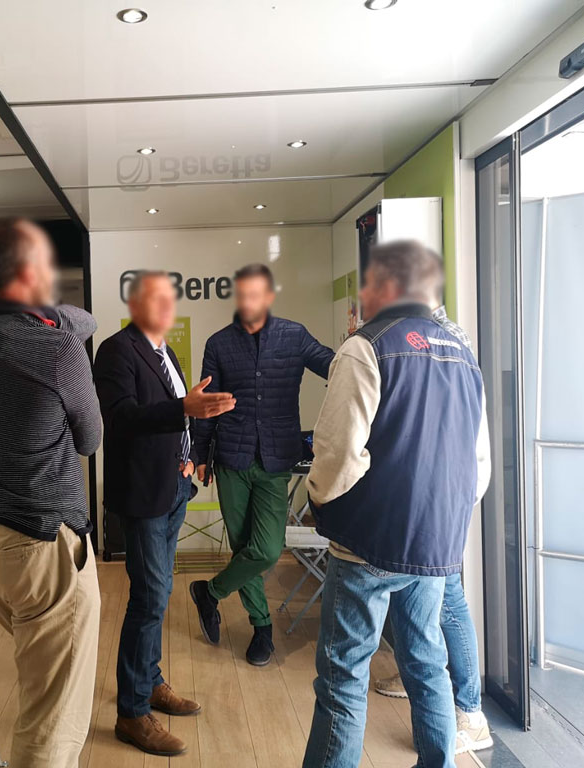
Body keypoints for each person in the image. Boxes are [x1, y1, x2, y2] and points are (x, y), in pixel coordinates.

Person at [301, 240, 491, 768]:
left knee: (343, 676)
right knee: (427, 664)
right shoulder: (462, 353)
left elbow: (339, 455)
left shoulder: (366, 348)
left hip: (369, 541)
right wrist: (443, 518)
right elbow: (478, 463)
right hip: (434, 545)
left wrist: (320, 503)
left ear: (386, 286)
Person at [0, 217, 101, 768]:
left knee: (40, 693)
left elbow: (74, 320)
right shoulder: (58, 349)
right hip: (44, 547)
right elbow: (90, 439)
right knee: (51, 719)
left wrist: (51, 316)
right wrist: (56, 321)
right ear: (31, 273)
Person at [94, 270, 236, 757]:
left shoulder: (165, 352)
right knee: (149, 597)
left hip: (174, 487)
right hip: (143, 494)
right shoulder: (116, 350)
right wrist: (184, 409)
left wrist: (190, 453)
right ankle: (132, 714)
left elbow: (180, 415)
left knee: (159, 592)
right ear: (134, 305)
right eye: (155, 299)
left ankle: (150, 681)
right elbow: (120, 418)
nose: (166, 307)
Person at [188, 263, 334, 665]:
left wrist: (368, 354)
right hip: (230, 459)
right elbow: (207, 406)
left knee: (267, 548)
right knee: (242, 545)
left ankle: (209, 592)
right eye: (242, 294)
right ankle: (262, 628)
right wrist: (200, 455)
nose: (247, 302)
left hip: (275, 460)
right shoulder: (219, 344)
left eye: (255, 295)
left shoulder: (294, 335)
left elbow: (333, 365)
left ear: (268, 297)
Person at [373, 303, 492, 755]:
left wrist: (456, 499)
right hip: (430, 495)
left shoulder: (446, 339)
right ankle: (420, 677)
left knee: (448, 600)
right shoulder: (416, 333)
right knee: (422, 598)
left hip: (443, 497)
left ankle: (470, 713)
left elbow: (467, 433)